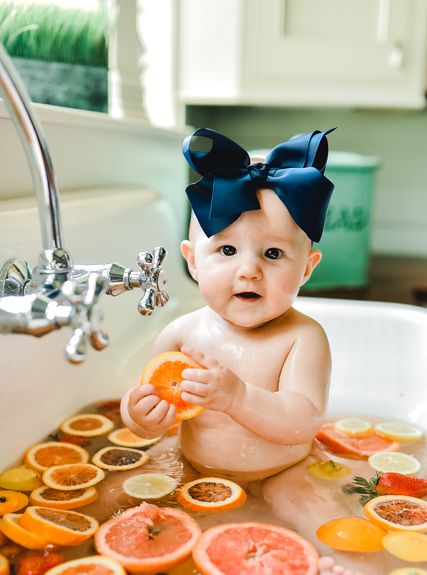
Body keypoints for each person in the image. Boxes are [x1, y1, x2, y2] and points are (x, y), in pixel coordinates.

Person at [120, 127, 335, 482]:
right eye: (228, 250)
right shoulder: (181, 336)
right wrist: (139, 416)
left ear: (306, 269)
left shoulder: (303, 338)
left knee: (309, 516)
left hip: (284, 473)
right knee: (124, 499)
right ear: (192, 261)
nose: (249, 271)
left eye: (273, 253)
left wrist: (238, 398)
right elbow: (153, 412)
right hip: (192, 471)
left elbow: (304, 421)